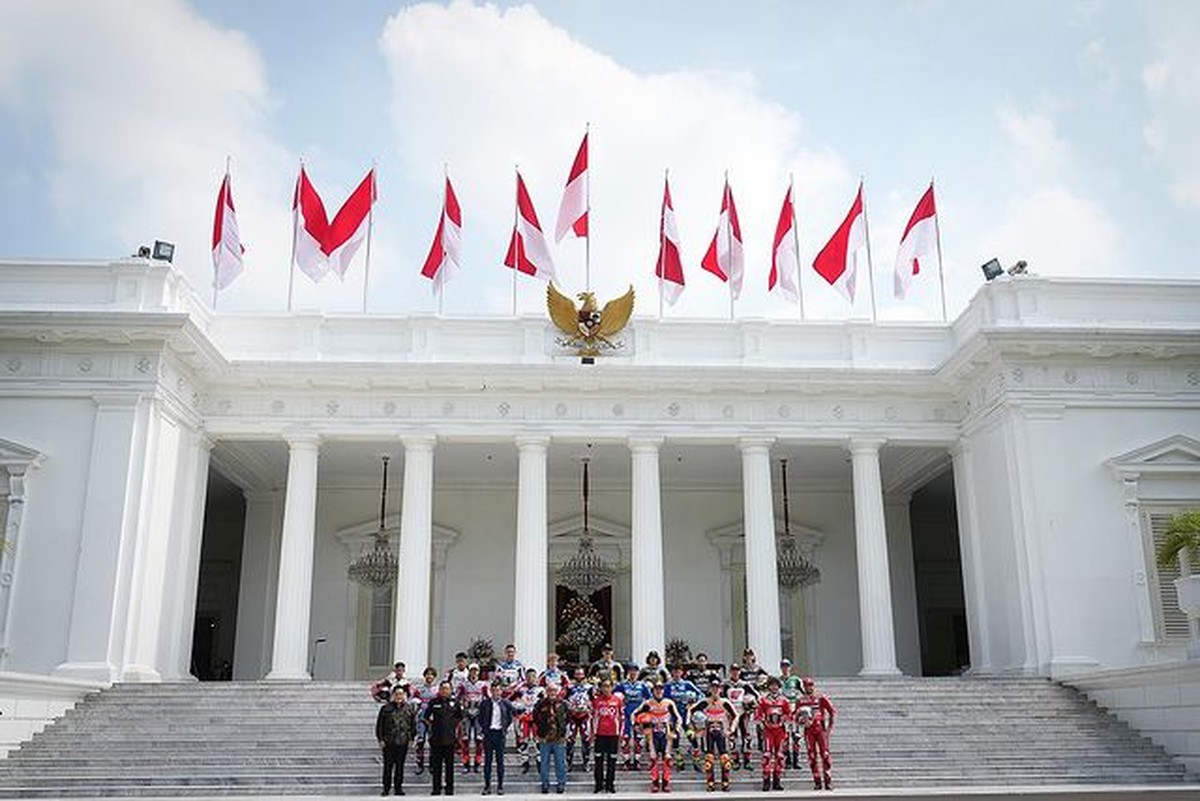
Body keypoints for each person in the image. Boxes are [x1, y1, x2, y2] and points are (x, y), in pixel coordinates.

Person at [631, 682, 682, 793]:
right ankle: (654, 783)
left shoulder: (669, 703)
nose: (658, 691)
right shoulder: (648, 703)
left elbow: (678, 717)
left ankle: (666, 782)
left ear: (663, 690)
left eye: (660, 689)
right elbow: (634, 714)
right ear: (653, 690)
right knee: (653, 758)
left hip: (666, 733)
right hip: (652, 734)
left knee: (667, 758)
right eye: (656, 689)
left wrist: (676, 730)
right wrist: (637, 727)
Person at [794, 677, 836, 792]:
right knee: (812, 756)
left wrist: (829, 728)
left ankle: (828, 782)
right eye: (806, 685)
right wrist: (799, 726)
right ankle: (817, 782)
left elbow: (832, 711)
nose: (809, 687)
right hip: (808, 732)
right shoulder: (800, 700)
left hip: (821, 731)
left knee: (825, 755)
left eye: (810, 685)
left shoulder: (821, 698)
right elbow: (795, 716)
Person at [423, 681, 465, 796]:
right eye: (442, 689)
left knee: (449, 766)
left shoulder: (455, 703)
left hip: (450, 740)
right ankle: (436, 788)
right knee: (436, 766)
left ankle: (449, 788)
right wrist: (432, 725)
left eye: (447, 689)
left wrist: (453, 726)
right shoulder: (433, 702)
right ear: (439, 690)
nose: (444, 691)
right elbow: (426, 717)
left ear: (450, 690)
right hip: (436, 739)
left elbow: (461, 717)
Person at [695, 682, 737, 792]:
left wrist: (731, 729)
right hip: (708, 732)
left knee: (725, 759)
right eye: (713, 688)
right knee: (709, 759)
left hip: (722, 732)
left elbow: (736, 715)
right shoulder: (704, 702)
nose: (715, 690)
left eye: (717, 688)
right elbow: (691, 711)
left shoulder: (725, 702)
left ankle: (725, 782)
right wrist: (696, 728)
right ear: (709, 689)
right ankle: (710, 783)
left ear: (721, 690)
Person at [376, 685, 417, 796]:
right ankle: (386, 788)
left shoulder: (409, 708)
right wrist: (380, 739)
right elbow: (379, 725)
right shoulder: (386, 708)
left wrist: (412, 739)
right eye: (397, 694)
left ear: (404, 696)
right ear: (393, 695)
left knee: (400, 766)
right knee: (388, 767)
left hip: (403, 741)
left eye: (401, 694)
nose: (399, 696)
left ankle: (398, 788)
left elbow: (413, 725)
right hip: (389, 741)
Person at [477, 681, 516, 796]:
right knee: (488, 761)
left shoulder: (505, 703)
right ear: (491, 691)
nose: (495, 692)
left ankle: (500, 786)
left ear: (501, 691)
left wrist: (504, 728)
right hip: (489, 734)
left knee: (500, 762)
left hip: (500, 734)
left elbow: (510, 716)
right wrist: (485, 729)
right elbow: (480, 718)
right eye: (493, 690)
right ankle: (487, 786)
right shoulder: (485, 703)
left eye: (498, 690)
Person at [754, 677, 792, 791]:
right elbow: (758, 715)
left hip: (780, 731)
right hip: (768, 731)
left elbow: (789, 714)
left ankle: (777, 782)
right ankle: (766, 781)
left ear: (779, 686)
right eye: (771, 685)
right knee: (766, 755)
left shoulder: (784, 700)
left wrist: (782, 719)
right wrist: (764, 721)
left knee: (779, 756)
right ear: (768, 686)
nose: (774, 687)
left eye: (776, 685)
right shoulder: (763, 700)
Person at [663, 664, 702, 772]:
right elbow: (662, 699)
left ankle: (696, 760)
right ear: (672, 673)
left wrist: (693, 704)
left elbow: (700, 695)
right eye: (674, 671)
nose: (676, 673)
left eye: (678, 671)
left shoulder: (687, 684)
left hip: (686, 715)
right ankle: (679, 761)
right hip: (674, 716)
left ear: (682, 672)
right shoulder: (667, 685)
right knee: (675, 738)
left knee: (692, 736)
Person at [532, 682, 569, 794]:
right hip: (545, 738)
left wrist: (565, 734)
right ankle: (545, 784)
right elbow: (535, 719)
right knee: (544, 763)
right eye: (549, 690)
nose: (552, 692)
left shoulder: (563, 704)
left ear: (557, 692)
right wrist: (538, 734)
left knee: (560, 763)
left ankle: (561, 783)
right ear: (546, 691)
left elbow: (568, 719)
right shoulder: (540, 704)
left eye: (554, 690)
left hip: (559, 738)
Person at [591, 677, 624, 794]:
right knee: (598, 761)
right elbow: (593, 718)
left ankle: (610, 784)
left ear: (612, 687)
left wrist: (621, 734)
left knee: (612, 761)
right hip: (599, 735)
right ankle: (598, 784)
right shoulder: (596, 701)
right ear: (600, 688)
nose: (606, 689)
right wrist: (592, 734)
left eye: (608, 686)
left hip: (613, 735)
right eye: (604, 686)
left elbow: (621, 718)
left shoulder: (618, 701)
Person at [722, 664, 759, 770]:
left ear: (739, 672)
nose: (735, 672)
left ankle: (747, 761)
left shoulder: (745, 684)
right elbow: (721, 697)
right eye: (733, 670)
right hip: (731, 714)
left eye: (737, 670)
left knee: (747, 736)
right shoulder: (726, 684)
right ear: (730, 671)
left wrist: (751, 705)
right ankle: (735, 760)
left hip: (744, 713)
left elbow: (756, 695)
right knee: (732, 737)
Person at [615, 664, 649, 769]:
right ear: (628, 673)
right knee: (626, 738)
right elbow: (613, 696)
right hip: (626, 713)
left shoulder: (642, 685)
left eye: (635, 671)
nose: (633, 673)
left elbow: (649, 699)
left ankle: (637, 761)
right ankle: (626, 761)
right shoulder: (622, 685)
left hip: (638, 714)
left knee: (638, 738)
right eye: (631, 671)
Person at [457, 663, 489, 773]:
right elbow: (457, 697)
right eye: (472, 670)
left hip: (478, 714)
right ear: (469, 671)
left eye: (476, 670)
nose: (474, 673)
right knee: (465, 739)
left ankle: (477, 763)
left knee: (479, 739)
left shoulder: (483, 684)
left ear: (479, 672)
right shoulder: (463, 684)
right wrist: (461, 707)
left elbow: (488, 698)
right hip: (466, 713)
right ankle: (466, 763)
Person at [512, 667, 544, 774]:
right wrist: (518, 706)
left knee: (538, 742)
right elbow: (510, 701)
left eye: (533, 676)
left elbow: (546, 704)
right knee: (524, 742)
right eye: (529, 677)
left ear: (536, 678)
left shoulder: (541, 690)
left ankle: (540, 763)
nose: (531, 679)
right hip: (524, 719)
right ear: (525, 678)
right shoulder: (520, 689)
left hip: (536, 719)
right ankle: (525, 763)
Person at [564, 666, 593, 772]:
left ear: (584, 675)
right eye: (577, 674)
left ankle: (586, 762)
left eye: (581, 674)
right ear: (574, 675)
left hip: (585, 716)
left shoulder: (589, 687)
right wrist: (569, 708)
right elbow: (564, 700)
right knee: (570, 739)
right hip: (572, 716)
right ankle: (568, 763)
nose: (579, 676)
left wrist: (589, 709)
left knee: (586, 739)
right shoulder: (569, 687)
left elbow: (593, 701)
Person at [412, 667, 441, 775]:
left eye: (431, 674)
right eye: (427, 674)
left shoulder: (437, 689)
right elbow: (413, 699)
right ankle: (419, 764)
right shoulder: (419, 689)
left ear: (434, 677)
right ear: (424, 676)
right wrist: (418, 702)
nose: (429, 676)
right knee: (420, 740)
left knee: (433, 741)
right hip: (422, 716)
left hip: (434, 717)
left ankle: (433, 764)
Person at [778, 660, 803, 770]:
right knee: (785, 737)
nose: (785, 668)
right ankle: (787, 759)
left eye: (787, 666)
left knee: (796, 736)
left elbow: (803, 693)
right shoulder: (778, 681)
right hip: (784, 710)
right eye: (783, 666)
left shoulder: (796, 680)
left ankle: (796, 760)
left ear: (790, 667)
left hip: (794, 708)